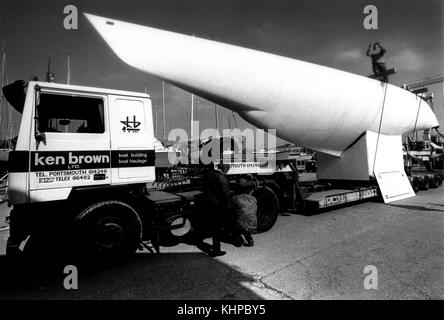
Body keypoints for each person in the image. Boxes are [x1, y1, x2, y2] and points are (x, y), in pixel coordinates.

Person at [196, 162, 232, 257]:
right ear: (225, 169)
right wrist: (228, 209)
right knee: (217, 229)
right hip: (218, 207)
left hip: (208, 204)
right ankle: (216, 250)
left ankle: (214, 248)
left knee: (212, 227)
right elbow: (225, 196)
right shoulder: (222, 179)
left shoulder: (209, 175)